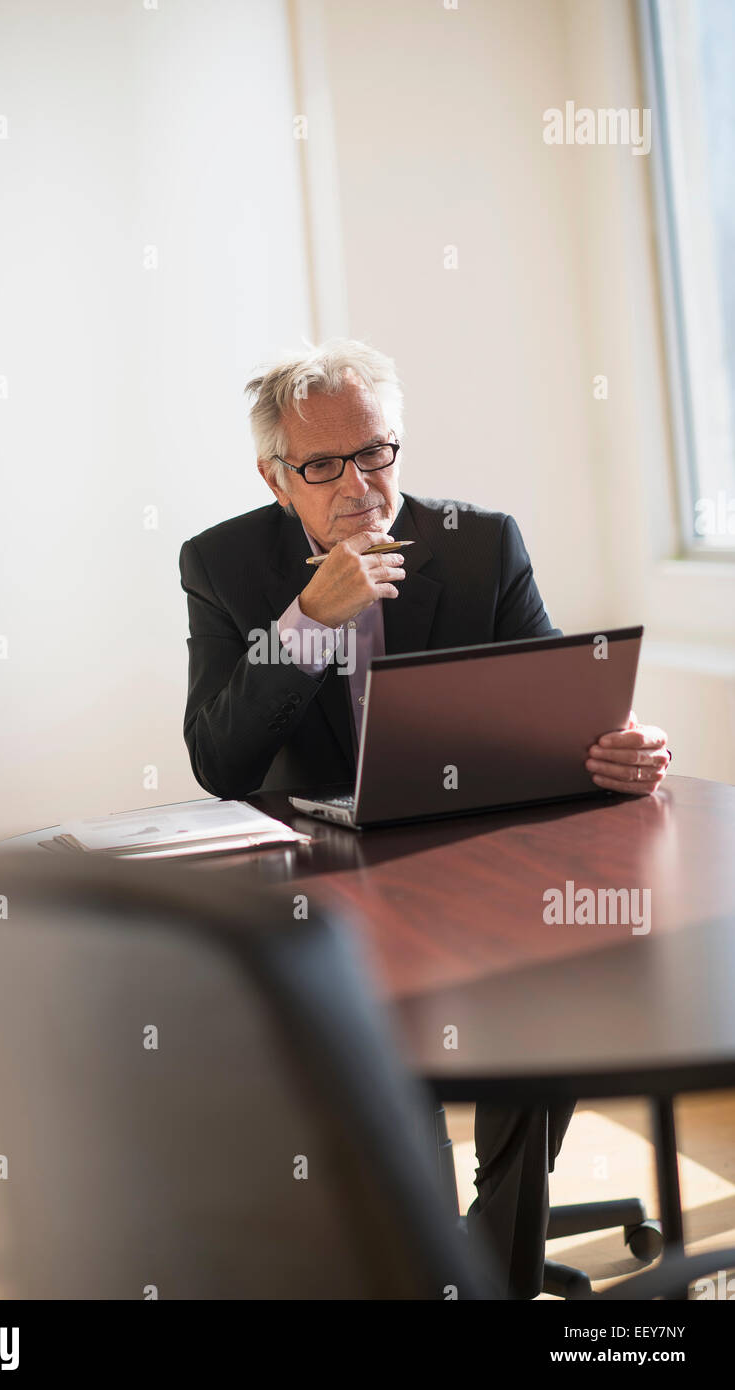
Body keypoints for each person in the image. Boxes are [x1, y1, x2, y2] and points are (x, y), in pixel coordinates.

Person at [179, 339, 671, 1297]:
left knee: (549, 973)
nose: (360, 485)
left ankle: (491, 1257)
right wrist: (308, 623)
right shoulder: (226, 564)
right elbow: (218, 763)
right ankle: (423, 1243)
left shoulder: (480, 541)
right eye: (325, 466)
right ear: (276, 478)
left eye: (377, 453)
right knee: (370, 1017)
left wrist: (620, 746)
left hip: (477, 862)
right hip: (329, 879)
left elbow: (556, 705)